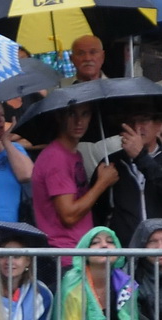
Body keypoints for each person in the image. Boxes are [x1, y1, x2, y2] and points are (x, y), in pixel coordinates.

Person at [31, 104, 119, 278]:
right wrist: (101, 184)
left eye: (85, 114)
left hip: (77, 254)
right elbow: (69, 215)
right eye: (72, 114)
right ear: (59, 117)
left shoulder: (73, 154)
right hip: (64, 257)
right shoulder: (56, 157)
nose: (79, 121)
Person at [102, 101, 162, 245]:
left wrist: (141, 157)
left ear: (158, 124)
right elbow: (100, 212)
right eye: (131, 122)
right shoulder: (111, 163)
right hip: (124, 252)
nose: (137, 127)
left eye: (143, 120)